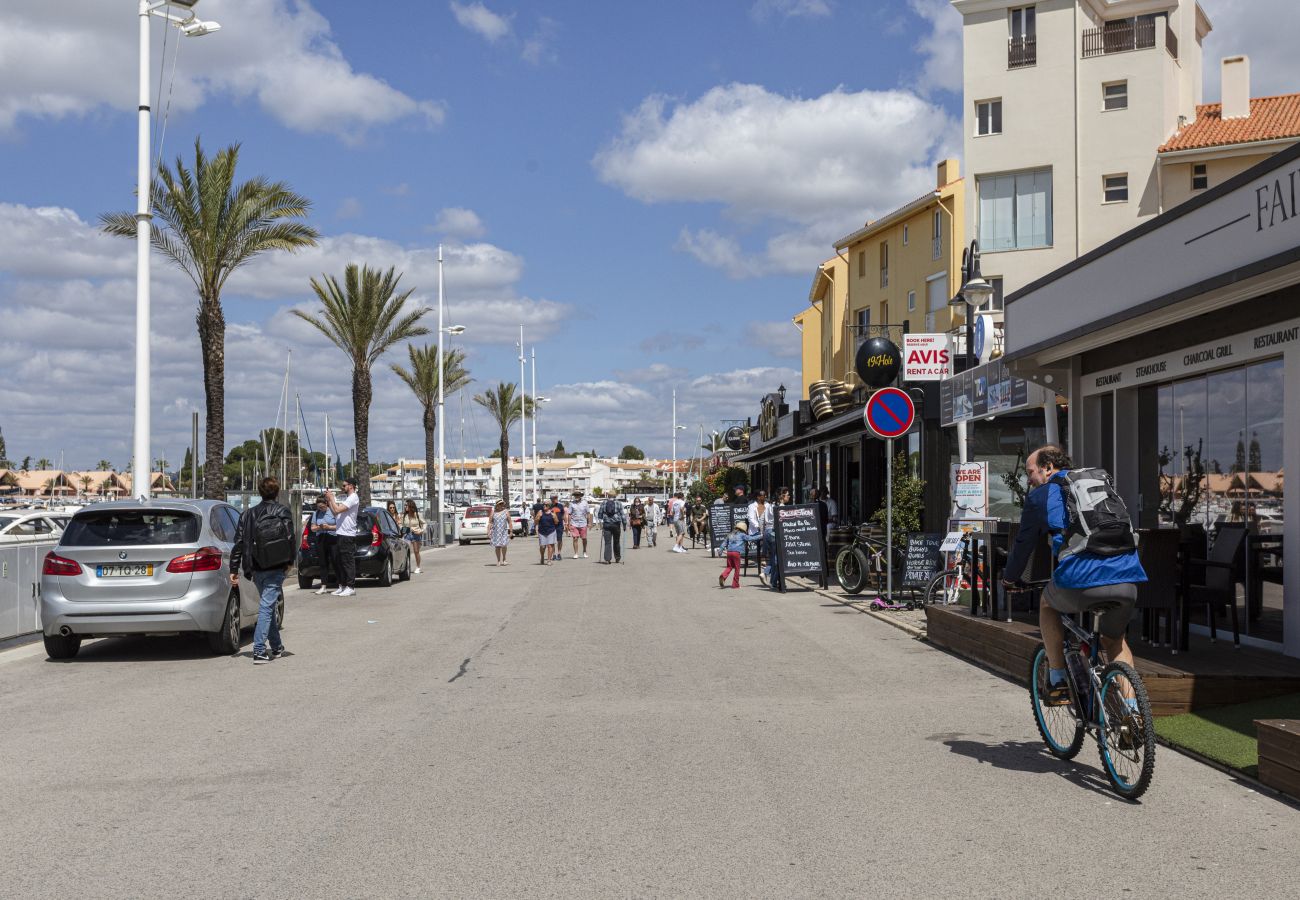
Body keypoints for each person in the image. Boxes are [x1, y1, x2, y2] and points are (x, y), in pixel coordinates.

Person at [1002, 445, 1147, 709]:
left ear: (1048, 468)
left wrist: (1009, 579)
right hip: (1128, 577)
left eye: (1030, 471)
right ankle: (1133, 714)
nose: (1029, 479)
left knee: (1048, 604)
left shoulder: (1042, 495)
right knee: (1115, 641)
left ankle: (1057, 680)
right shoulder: (1098, 485)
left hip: (1082, 576)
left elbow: (1023, 545)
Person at [229, 476, 294, 664]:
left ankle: (276, 646)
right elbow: (290, 537)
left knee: (268, 604)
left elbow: (239, 543)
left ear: (259, 492)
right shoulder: (282, 511)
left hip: (255, 566)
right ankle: (259, 650)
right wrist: (290, 561)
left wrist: (234, 568)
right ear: (277, 491)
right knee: (266, 606)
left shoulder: (247, 514)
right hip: (276, 564)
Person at [323, 477, 360, 597]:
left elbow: (338, 509)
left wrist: (332, 498)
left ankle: (350, 586)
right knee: (339, 561)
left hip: (347, 534)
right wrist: (329, 501)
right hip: (340, 532)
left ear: (351, 486)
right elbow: (335, 512)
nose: (342, 487)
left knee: (347, 561)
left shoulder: (353, 497)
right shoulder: (347, 498)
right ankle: (343, 585)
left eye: (344, 486)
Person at [718, 521, 763, 589]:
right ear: (743, 529)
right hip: (736, 553)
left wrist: (720, 551)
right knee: (737, 569)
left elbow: (724, 543)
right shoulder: (742, 535)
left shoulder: (730, 534)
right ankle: (735, 584)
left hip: (729, 552)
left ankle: (723, 576)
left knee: (729, 567)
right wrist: (761, 536)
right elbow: (751, 538)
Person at [309, 495, 338, 596]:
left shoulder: (333, 512)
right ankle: (323, 586)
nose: (320, 509)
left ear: (326, 504)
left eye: (322, 507)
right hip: (321, 538)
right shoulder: (316, 514)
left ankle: (341, 584)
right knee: (323, 563)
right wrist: (319, 527)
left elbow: (339, 526)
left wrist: (329, 527)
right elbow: (312, 528)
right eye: (319, 507)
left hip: (332, 538)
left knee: (335, 561)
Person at [598, 492, 626, 564]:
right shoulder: (619, 503)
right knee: (616, 542)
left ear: (608, 496)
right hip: (616, 525)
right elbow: (623, 514)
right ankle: (617, 557)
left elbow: (600, 514)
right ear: (615, 496)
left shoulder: (604, 503)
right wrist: (624, 524)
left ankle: (608, 559)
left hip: (607, 524)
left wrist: (601, 521)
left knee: (607, 542)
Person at [400, 499, 425, 574]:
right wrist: (405, 529)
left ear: (411, 506)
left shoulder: (417, 514)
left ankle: (418, 567)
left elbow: (424, 523)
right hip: (407, 535)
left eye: (406, 505)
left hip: (416, 535)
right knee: (405, 552)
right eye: (405, 505)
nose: (405, 507)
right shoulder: (404, 515)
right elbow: (401, 525)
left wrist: (421, 531)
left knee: (416, 551)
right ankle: (405, 567)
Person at [536, 499, 560, 565]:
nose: (544, 506)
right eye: (543, 504)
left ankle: (549, 560)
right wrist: (538, 518)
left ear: (549, 506)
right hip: (542, 531)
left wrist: (554, 517)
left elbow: (556, 522)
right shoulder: (540, 512)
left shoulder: (552, 512)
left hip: (551, 531)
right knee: (542, 546)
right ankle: (542, 557)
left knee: (550, 545)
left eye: (546, 505)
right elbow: (536, 522)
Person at [568, 489, 591, 558]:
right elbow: (569, 514)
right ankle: (576, 553)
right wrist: (569, 524)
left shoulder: (585, 503)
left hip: (583, 523)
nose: (576, 496)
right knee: (575, 538)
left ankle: (584, 551)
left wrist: (589, 522)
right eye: (575, 495)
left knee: (584, 538)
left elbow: (588, 513)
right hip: (574, 523)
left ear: (580, 496)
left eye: (578, 495)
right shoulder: (571, 503)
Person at [489, 499, 512, 566]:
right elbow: (490, 522)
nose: (502, 505)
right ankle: (498, 560)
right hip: (496, 532)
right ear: (497, 505)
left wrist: (511, 531)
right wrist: (488, 532)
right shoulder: (493, 512)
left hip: (504, 531)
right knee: (497, 546)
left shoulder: (506, 512)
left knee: (504, 545)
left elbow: (510, 522)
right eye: (500, 504)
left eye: (502, 504)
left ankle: (504, 559)